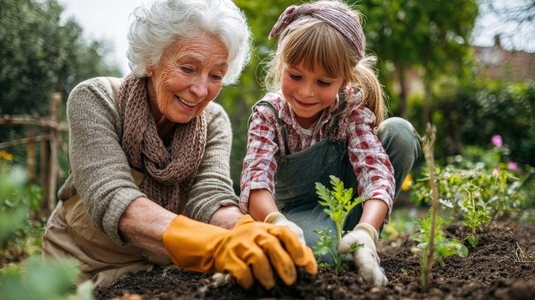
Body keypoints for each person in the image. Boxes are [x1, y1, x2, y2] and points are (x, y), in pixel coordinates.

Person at [41, 0, 317, 290]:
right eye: (188, 68)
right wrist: (219, 246)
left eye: (216, 75)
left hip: (157, 273)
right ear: (151, 59)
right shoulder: (95, 99)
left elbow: (210, 196)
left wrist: (249, 231)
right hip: (75, 268)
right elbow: (113, 197)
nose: (200, 90)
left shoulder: (213, 121)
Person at [239, 0, 420, 287]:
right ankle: (337, 248)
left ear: (343, 80)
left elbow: (375, 173)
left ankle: (358, 240)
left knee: (400, 133)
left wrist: (367, 231)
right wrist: (277, 224)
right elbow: (255, 180)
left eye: (323, 82)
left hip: (351, 207)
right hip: (297, 218)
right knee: (316, 250)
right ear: (281, 65)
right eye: (295, 75)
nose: (306, 91)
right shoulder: (269, 116)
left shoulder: (349, 110)